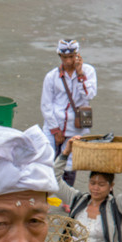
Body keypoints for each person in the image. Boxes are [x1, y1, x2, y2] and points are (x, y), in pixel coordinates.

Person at [40, 38, 96, 186]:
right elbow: (46, 104)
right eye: (65, 58)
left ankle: (67, 196)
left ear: (77, 56)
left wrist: (79, 74)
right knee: (48, 159)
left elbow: (88, 95)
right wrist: (55, 129)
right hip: (53, 125)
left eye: (71, 57)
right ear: (60, 57)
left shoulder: (89, 72)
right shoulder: (51, 76)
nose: (68, 61)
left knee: (70, 163)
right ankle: (48, 191)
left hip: (75, 126)